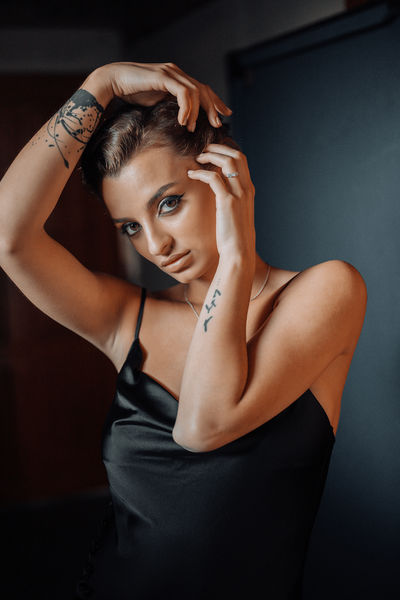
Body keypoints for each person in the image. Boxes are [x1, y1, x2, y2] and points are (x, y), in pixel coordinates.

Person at [0, 61, 367, 599]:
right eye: (131, 227)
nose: (156, 246)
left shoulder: (327, 290)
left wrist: (235, 258)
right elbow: (8, 236)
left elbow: (202, 427)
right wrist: (101, 84)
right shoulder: (125, 318)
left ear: (226, 175)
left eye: (168, 203)